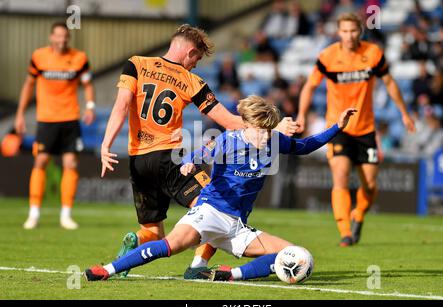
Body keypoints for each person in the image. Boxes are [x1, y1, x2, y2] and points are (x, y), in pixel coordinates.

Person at [84, 95, 356, 282]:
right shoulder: (228, 139)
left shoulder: (274, 141)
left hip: (238, 226)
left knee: (294, 253)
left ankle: (229, 274)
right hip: (210, 212)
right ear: (246, 125)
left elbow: (306, 146)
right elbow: (201, 152)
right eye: (259, 130)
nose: (264, 136)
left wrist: (337, 127)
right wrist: (189, 164)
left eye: (268, 131)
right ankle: (107, 270)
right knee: (170, 246)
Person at [101, 24, 298, 278]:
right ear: (190, 51)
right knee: (218, 204)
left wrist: (106, 145)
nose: (195, 65)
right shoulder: (190, 80)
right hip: (169, 157)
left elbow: (121, 106)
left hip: (138, 160)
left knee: (153, 231)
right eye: (197, 59)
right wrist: (271, 126)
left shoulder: (136, 64)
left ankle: (132, 249)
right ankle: (197, 267)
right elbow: (228, 122)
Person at [296, 13, 416, 247]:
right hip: (338, 127)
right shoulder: (328, 57)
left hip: (365, 129)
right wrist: (301, 114)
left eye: (353, 31)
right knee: (340, 176)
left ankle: (359, 213)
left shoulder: (372, 54)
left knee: (370, 186)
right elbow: (310, 86)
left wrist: (403, 112)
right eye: (345, 31)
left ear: (360, 31)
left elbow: (389, 82)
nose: (349, 35)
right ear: (338, 32)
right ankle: (345, 232)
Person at [14, 22, 96, 230]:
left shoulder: (79, 58)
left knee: (71, 164)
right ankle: (34, 213)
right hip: (46, 119)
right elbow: (28, 85)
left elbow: (87, 85)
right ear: (51, 37)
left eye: (65, 37)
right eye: (58, 36)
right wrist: (20, 114)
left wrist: (90, 106)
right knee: (40, 161)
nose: (62, 40)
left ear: (68, 38)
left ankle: (66, 215)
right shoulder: (39, 57)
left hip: (70, 118)